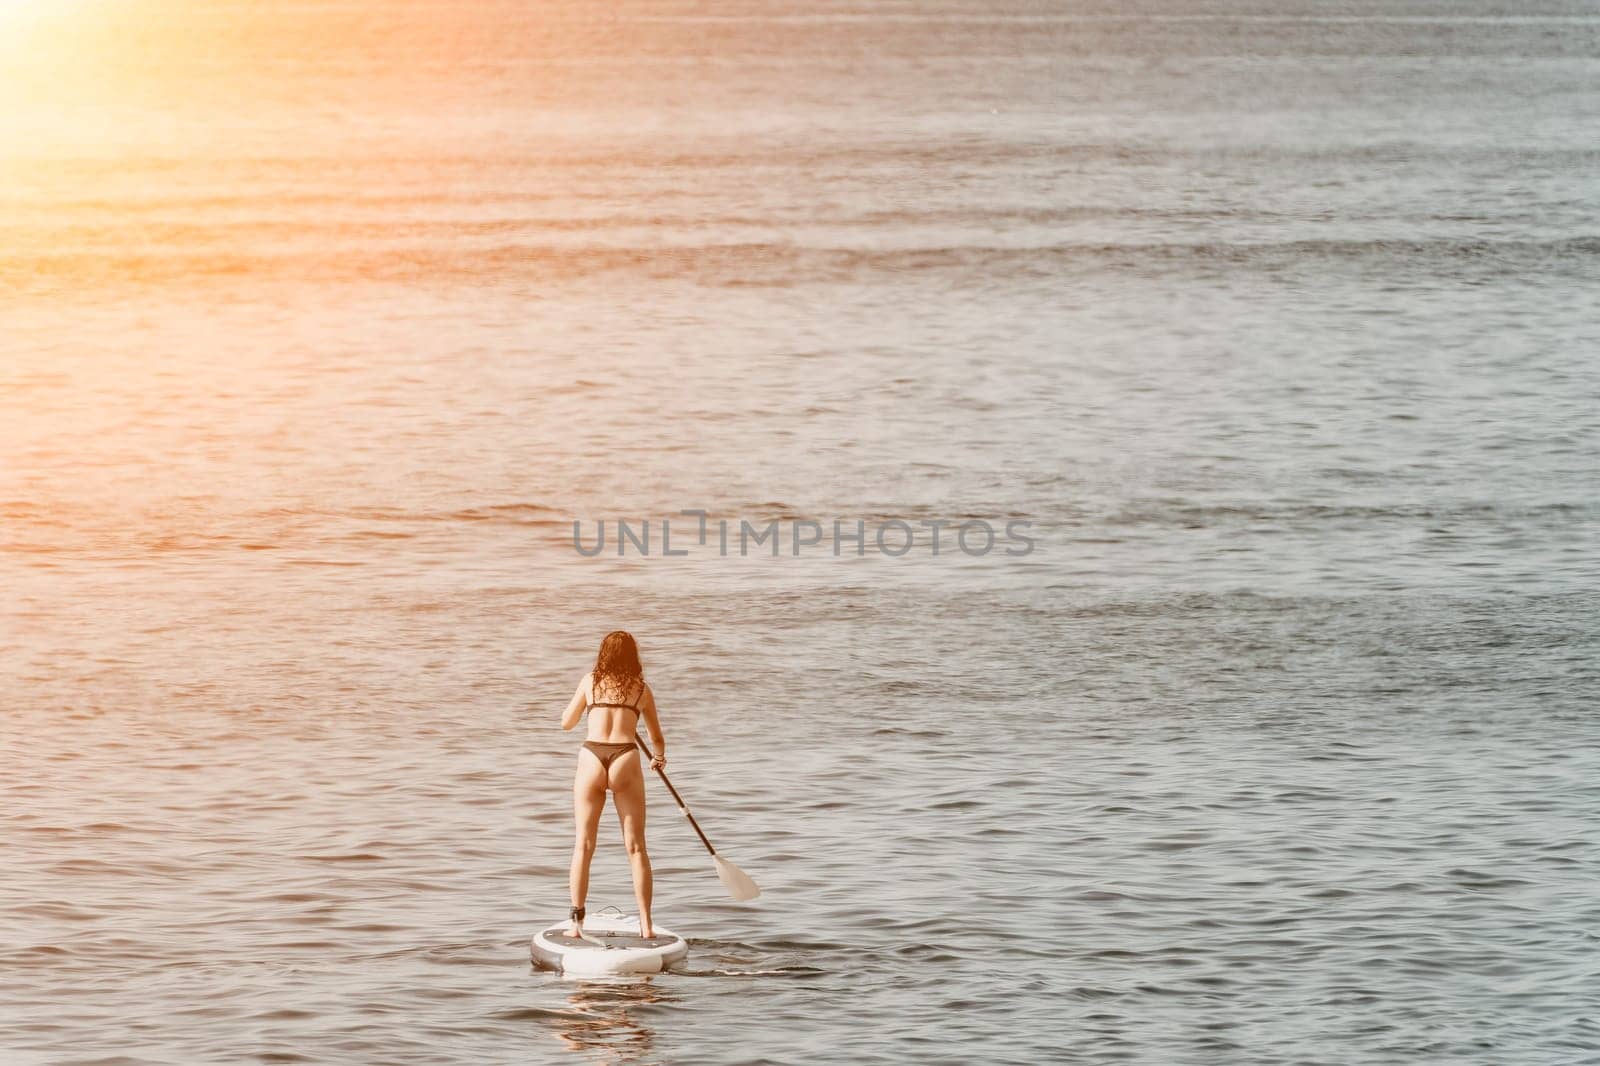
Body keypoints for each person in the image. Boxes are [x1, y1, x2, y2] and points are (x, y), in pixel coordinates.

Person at [559, 630, 667, 939]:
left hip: (592, 756)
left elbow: (567, 723)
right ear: (633, 656)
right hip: (626, 759)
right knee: (636, 848)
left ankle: (576, 925)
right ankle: (646, 926)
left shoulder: (589, 682)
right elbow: (657, 738)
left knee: (583, 845)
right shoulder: (641, 690)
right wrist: (658, 757)